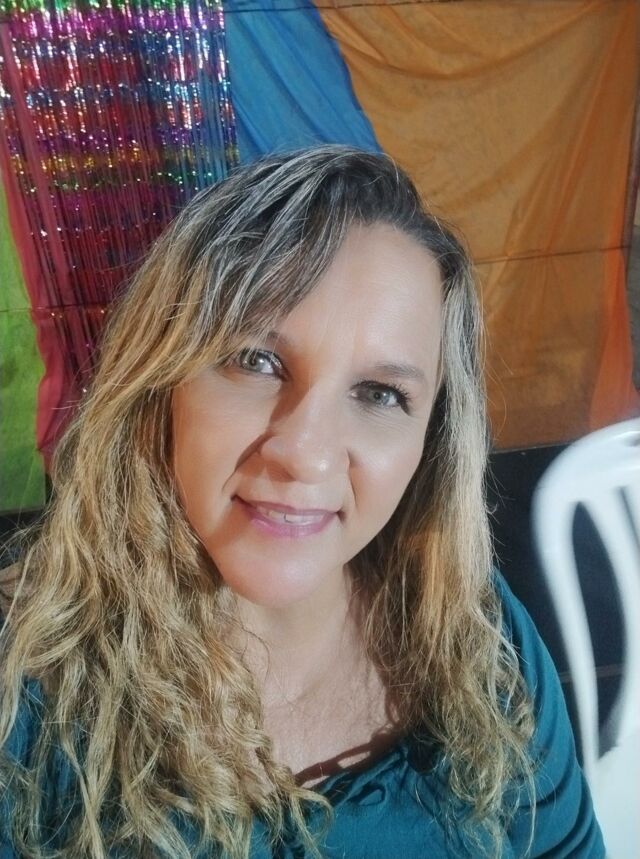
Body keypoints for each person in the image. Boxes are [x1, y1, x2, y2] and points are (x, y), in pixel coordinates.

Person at [0, 146, 603, 858]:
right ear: (162, 381)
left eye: (380, 394)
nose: (307, 453)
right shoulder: (24, 681)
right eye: (257, 360)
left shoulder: (477, 634)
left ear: (431, 441)